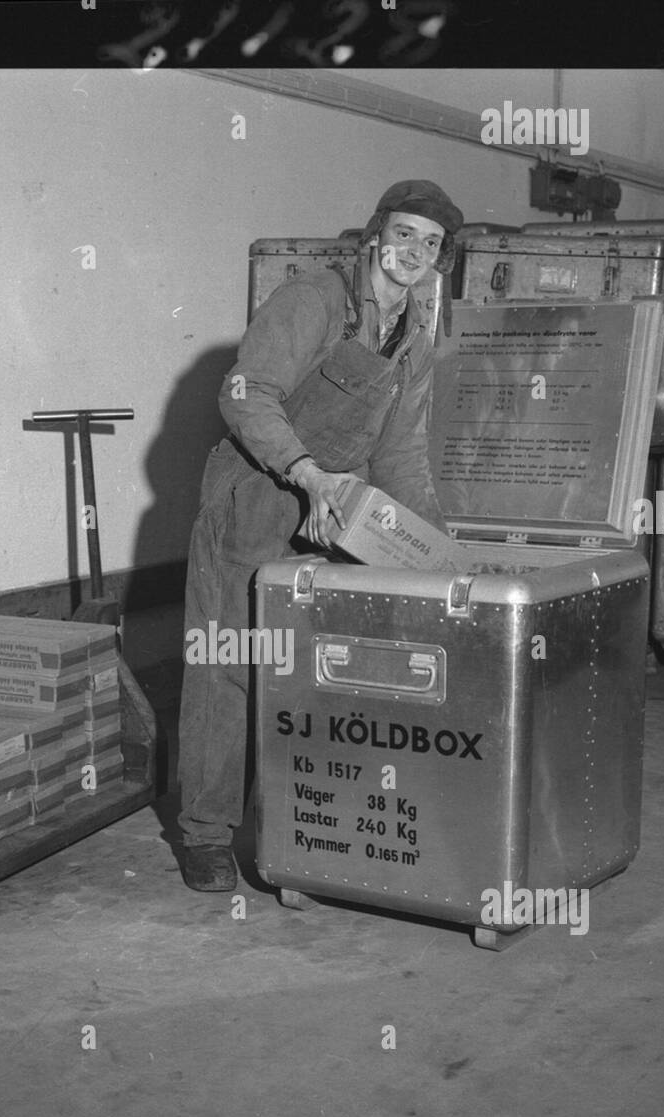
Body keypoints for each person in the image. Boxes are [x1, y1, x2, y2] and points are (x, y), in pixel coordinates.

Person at [177, 180, 464, 892]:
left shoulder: (414, 342)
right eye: (404, 234)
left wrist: (448, 555)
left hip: (334, 515)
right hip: (256, 498)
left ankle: (297, 829)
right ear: (375, 236)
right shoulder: (314, 298)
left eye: (431, 244)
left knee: (314, 676)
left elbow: (401, 458)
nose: (415, 252)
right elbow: (244, 393)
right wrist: (306, 473)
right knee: (230, 671)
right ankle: (205, 836)